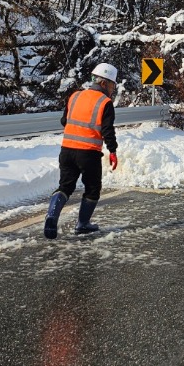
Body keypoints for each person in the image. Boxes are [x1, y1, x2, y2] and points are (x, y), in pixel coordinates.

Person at [43, 63, 120, 239]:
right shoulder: (105, 103)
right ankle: (83, 224)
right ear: (103, 83)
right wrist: (113, 151)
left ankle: (52, 215)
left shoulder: (74, 96)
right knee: (93, 189)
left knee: (65, 187)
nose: (112, 89)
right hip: (89, 154)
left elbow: (65, 121)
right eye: (111, 85)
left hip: (67, 151)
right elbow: (108, 130)